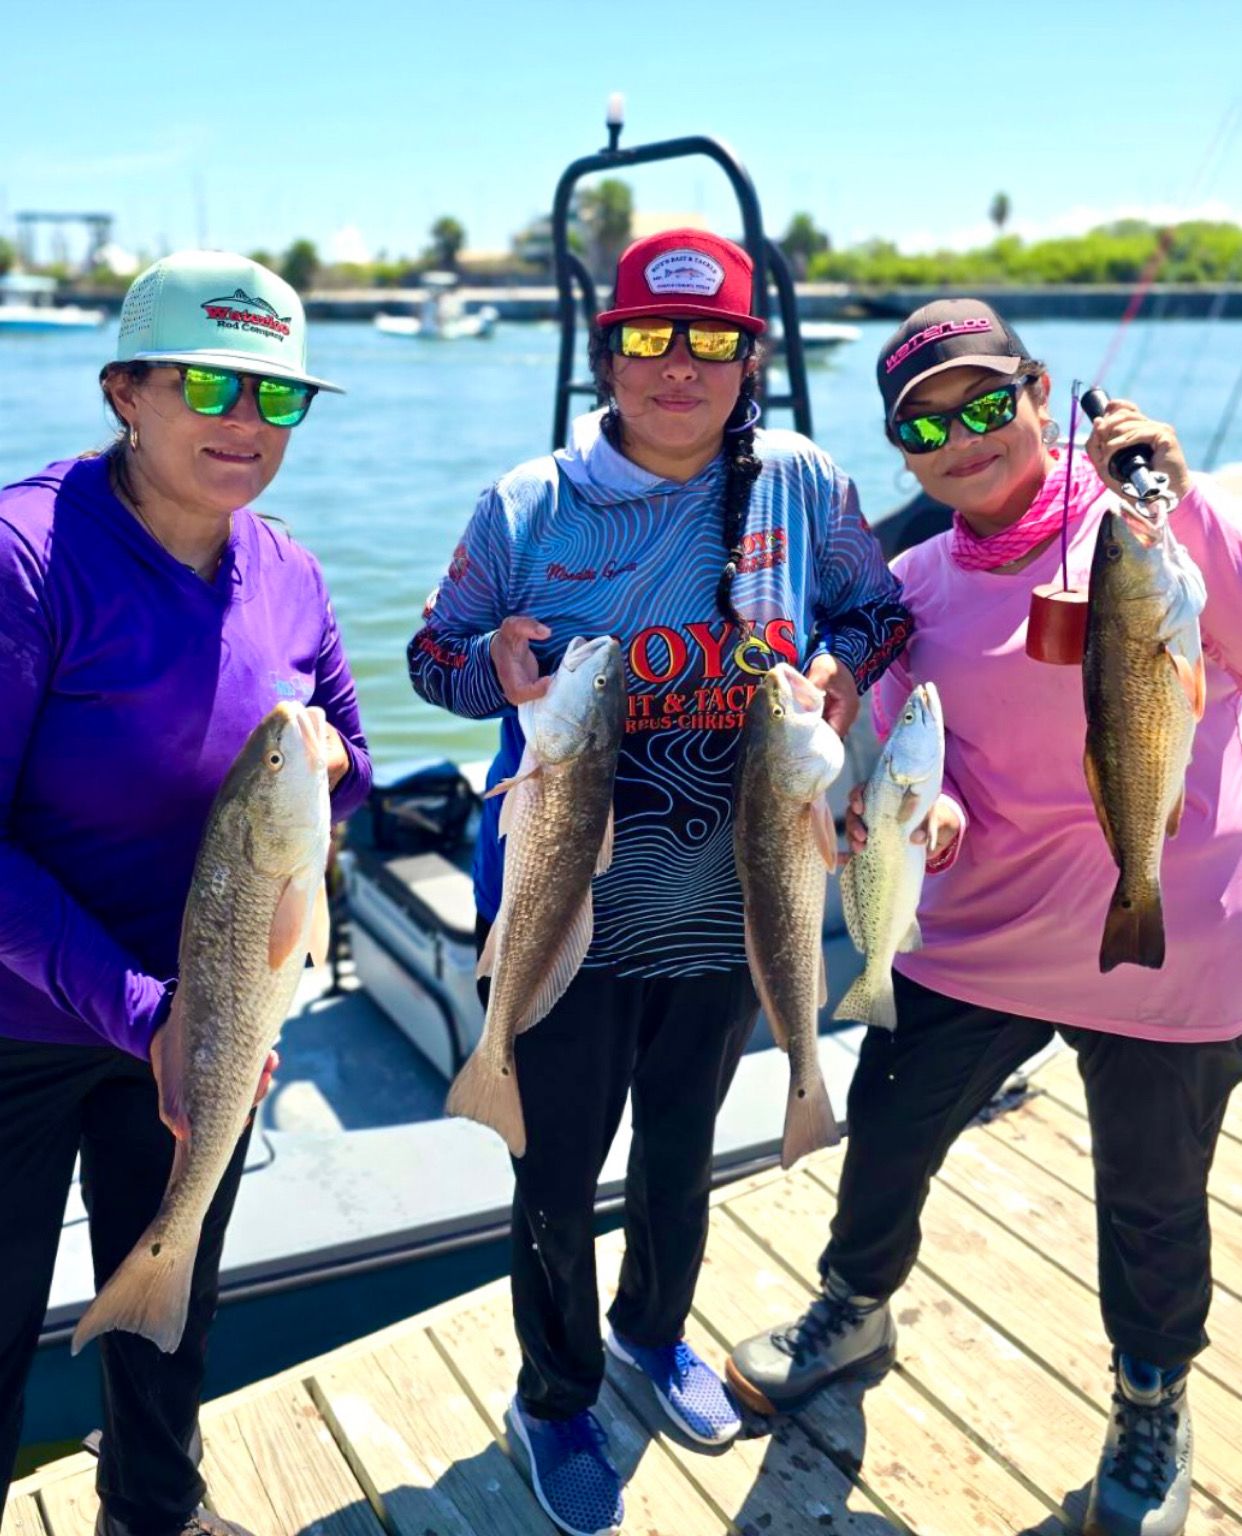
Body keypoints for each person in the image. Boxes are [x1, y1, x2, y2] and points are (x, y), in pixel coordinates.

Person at [407, 227, 909, 1536]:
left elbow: (878, 613)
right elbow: (434, 660)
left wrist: (848, 674)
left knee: (684, 1155)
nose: (676, 366)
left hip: (738, 908)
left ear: (751, 358)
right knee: (555, 1176)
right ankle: (556, 1393)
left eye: (710, 342)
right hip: (564, 918)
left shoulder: (801, 482)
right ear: (608, 350)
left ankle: (648, 1333)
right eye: (646, 338)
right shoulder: (527, 506)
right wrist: (497, 663)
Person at [726, 299, 1242, 1536]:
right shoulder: (909, 582)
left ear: (1039, 390)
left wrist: (1179, 495)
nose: (959, 437)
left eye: (982, 402)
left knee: (1156, 1196)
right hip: (984, 934)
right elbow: (914, 747)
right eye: (922, 421)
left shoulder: (1151, 520)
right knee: (890, 1131)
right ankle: (853, 1308)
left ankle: (1152, 1393)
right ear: (900, 450)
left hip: (1166, 929)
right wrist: (931, 806)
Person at [0, 251, 372, 1536]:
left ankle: (153, 1513)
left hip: (204, 1010)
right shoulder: (26, 554)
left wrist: (326, 756)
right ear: (125, 392)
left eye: (280, 396)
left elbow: (353, 762)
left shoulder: (295, 575)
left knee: (173, 1289)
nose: (246, 421)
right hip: (27, 1020)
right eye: (211, 381)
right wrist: (145, 1006)